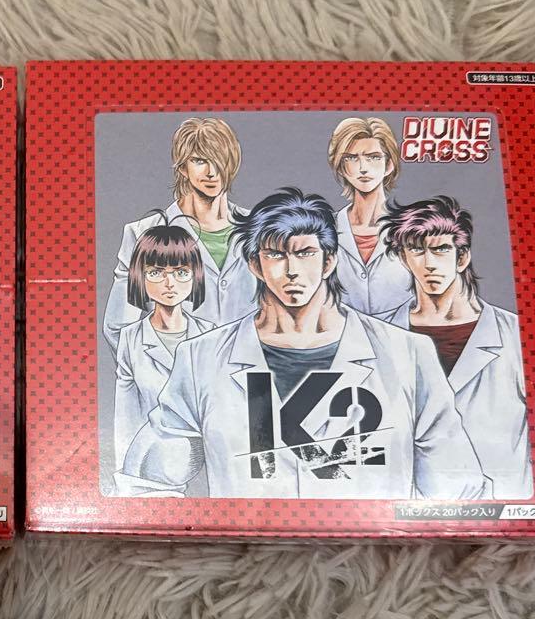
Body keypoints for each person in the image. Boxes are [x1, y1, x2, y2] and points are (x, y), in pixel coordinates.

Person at [116, 188, 486, 500]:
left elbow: (459, 490)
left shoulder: (406, 354)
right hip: (248, 554)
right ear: (255, 265)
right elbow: (146, 481)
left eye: (305, 253)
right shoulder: (202, 358)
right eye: (276, 254)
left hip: (369, 552)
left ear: (329, 261)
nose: (292, 270)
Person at [378, 195, 531, 499]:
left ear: (462, 257)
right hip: (407, 509)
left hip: (505, 509)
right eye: (417, 250)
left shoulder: (516, 336)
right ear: (403, 257)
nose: (429, 263)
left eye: (441, 249)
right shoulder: (378, 335)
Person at [103, 117, 253, 350]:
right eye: (200, 160)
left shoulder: (262, 228)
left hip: (251, 369)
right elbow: (119, 328)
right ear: (182, 167)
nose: (212, 172)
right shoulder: (142, 232)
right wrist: (167, 368)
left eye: (220, 160)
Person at [113, 225, 213, 471]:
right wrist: (126, 477)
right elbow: (126, 419)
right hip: (152, 464)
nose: (170, 283)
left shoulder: (211, 335)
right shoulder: (130, 339)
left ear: (195, 275)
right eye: (156, 272)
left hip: (208, 463)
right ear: (140, 276)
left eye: (181, 272)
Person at [326, 116, 413, 315]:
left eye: (373, 157)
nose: (363, 168)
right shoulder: (325, 228)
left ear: (389, 165)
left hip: (402, 330)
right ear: (341, 167)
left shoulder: (411, 227)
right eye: (352, 158)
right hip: (343, 330)